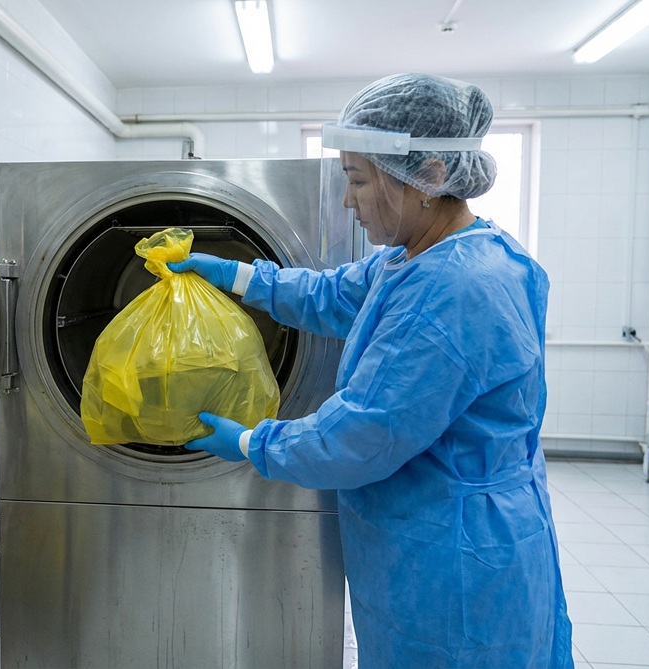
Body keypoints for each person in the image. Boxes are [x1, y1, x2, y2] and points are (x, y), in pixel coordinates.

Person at [167, 73, 573, 668]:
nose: (347, 199)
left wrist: (254, 441)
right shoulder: (419, 259)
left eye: (358, 178)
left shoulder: (455, 288)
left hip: (457, 561)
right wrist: (236, 275)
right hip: (442, 533)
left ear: (428, 177)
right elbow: (331, 295)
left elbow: (363, 434)